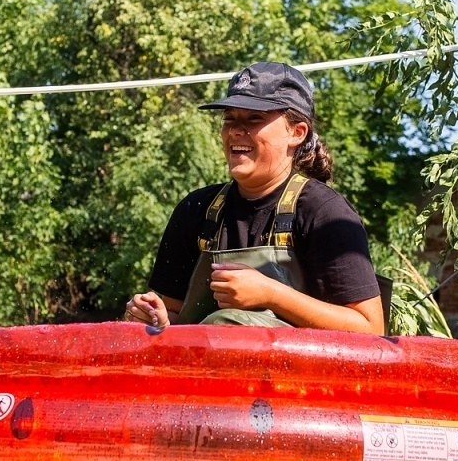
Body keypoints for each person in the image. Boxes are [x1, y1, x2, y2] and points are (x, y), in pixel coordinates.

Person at [126, 62, 385, 334]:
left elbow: (370, 329)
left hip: (297, 375)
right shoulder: (195, 210)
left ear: (296, 133)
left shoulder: (325, 212)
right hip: (208, 373)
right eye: (229, 118)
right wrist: (157, 320)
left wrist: (271, 294)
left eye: (254, 119)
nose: (236, 130)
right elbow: (176, 316)